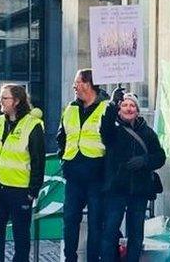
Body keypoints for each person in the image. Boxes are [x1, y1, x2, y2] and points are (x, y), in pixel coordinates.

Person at [101, 91, 166, 262]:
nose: (128, 108)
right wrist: (112, 104)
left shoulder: (148, 133)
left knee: (136, 233)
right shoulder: (113, 130)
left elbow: (160, 157)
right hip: (116, 189)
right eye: (125, 105)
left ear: (137, 111)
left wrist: (144, 160)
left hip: (139, 190)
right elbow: (104, 128)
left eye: (132, 105)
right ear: (119, 110)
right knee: (110, 231)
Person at [0, 84, 46, 262]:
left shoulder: (32, 125)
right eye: (0, 98)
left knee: (20, 236)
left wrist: (33, 191)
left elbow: (38, 161)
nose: (0, 102)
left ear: (17, 101)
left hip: (19, 190)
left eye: (5, 98)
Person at [57, 69, 109, 262]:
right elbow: (61, 136)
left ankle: (92, 259)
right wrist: (64, 157)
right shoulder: (70, 108)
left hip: (96, 175)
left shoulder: (106, 108)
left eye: (77, 82)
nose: (74, 87)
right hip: (74, 175)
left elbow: (111, 140)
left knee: (96, 221)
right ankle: (70, 258)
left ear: (88, 84)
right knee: (70, 220)